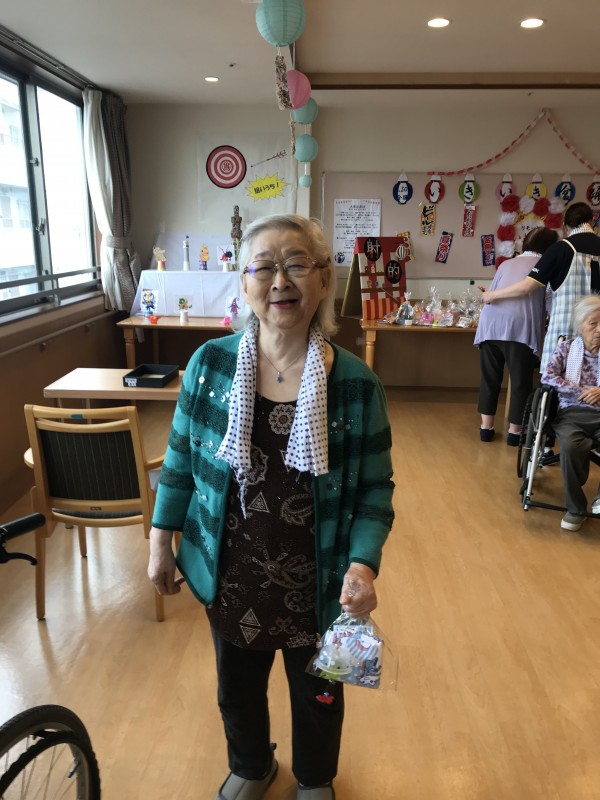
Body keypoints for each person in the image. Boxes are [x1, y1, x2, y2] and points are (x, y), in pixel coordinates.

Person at [147, 214, 395, 800]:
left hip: (322, 583)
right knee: (236, 689)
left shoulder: (355, 384)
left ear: (324, 280)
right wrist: (160, 541)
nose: (280, 280)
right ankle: (252, 765)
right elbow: (179, 461)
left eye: (296, 264)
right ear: (244, 282)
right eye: (263, 266)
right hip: (231, 573)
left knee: (320, 696)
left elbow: (375, 489)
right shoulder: (210, 366)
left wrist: (363, 565)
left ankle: (314, 777)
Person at [480, 202, 600, 371]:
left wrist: (491, 295)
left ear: (565, 226)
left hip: (566, 332)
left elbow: (526, 286)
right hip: (596, 333)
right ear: (592, 220)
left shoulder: (560, 249)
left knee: (559, 381)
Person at [475, 227, 559, 444]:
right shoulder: (547, 266)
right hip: (520, 330)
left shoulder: (506, 264)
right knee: (521, 382)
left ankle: (486, 429)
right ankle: (515, 433)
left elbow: (490, 296)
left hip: (490, 326)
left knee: (489, 379)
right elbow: (550, 304)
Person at [541, 295, 600, 532]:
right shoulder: (566, 348)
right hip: (571, 413)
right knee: (572, 445)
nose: (599, 330)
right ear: (580, 324)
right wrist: (580, 391)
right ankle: (575, 508)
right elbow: (548, 376)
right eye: (593, 323)